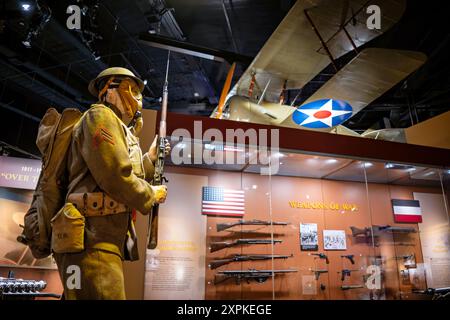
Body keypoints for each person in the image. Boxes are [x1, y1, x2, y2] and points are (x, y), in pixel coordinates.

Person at [53, 67, 169, 300]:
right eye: (132, 89)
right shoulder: (100, 117)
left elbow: (125, 173)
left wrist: (150, 159)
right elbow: (115, 177)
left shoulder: (118, 126)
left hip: (100, 239)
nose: (137, 98)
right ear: (109, 88)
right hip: (91, 240)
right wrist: (150, 195)